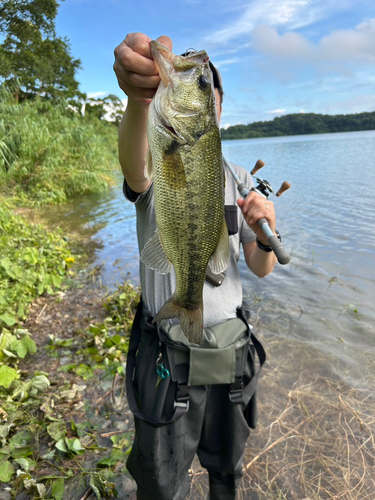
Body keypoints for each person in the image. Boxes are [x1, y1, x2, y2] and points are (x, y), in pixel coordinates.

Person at [114, 33, 278, 500]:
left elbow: (259, 266)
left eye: (207, 87)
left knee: (227, 468)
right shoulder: (158, 150)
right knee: (162, 480)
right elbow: (135, 169)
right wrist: (138, 101)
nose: (198, 84)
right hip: (168, 354)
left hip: (229, 350)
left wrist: (266, 228)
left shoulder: (241, 179)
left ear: (216, 109)